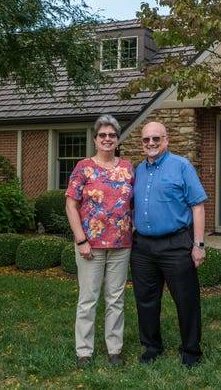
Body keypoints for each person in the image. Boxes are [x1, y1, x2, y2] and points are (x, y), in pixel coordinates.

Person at [130, 121, 207, 368]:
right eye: (146, 140)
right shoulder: (138, 171)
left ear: (166, 140)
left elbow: (198, 206)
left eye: (156, 139)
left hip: (176, 245)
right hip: (143, 248)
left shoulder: (182, 166)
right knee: (146, 300)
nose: (151, 143)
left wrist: (198, 244)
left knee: (186, 300)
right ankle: (152, 347)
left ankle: (191, 351)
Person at [65, 115, 135, 369]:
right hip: (90, 246)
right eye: (103, 135)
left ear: (117, 140)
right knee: (88, 298)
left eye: (112, 135)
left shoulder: (127, 168)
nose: (108, 139)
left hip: (121, 245)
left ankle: (114, 349)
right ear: (95, 139)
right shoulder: (83, 168)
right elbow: (71, 205)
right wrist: (81, 239)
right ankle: (84, 351)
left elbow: (132, 203)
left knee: (116, 299)